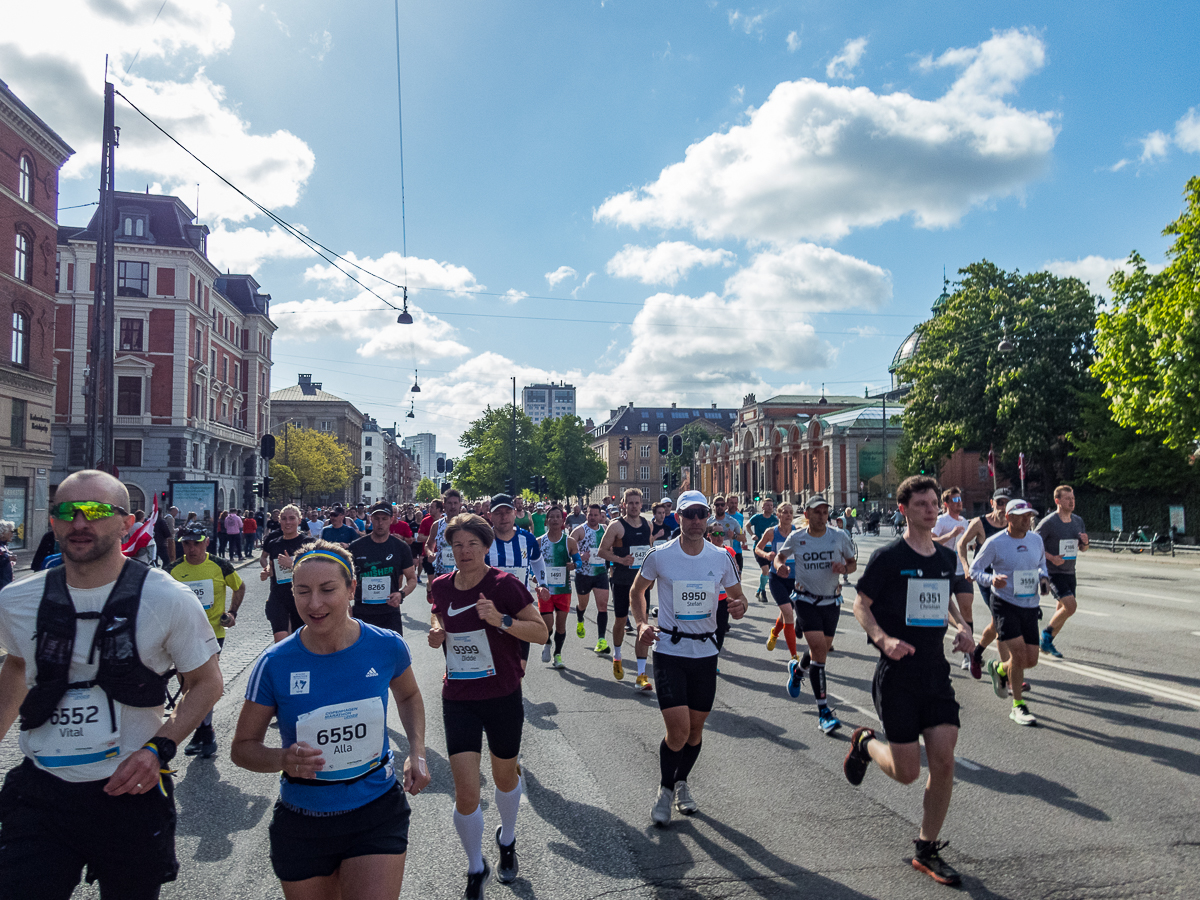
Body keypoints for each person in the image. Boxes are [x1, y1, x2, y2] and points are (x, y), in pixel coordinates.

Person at [0, 469, 223, 900]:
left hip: (130, 794)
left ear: (125, 522)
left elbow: (206, 683)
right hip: (41, 793)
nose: (79, 523)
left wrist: (159, 748)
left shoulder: (167, 597)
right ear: (53, 521)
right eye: (67, 512)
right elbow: (15, 666)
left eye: (96, 511)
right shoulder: (16, 600)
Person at [232, 541, 430, 899]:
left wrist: (416, 751)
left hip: (376, 810)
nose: (314, 604)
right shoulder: (275, 663)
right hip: (303, 820)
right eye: (302, 591)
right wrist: (282, 759)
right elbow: (243, 748)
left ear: (352, 588)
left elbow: (410, 695)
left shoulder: (387, 646)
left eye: (327, 590)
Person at [844, 475, 975, 886]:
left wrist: (962, 626)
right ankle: (865, 743)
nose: (931, 509)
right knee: (907, 772)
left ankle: (926, 847)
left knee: (944, 760)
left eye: (934, 503)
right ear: (904, 509)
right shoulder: (887, 557)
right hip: (897, 675)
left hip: (935, 673)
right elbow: (860, 604)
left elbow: (945, 597)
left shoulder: (943, 558)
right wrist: (883, 640)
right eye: (921, 504)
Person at [428, 514, 547, 899]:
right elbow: (437, 610)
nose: (463, 552)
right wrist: (436, 629)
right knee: (466, 793)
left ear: (486, 547)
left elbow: (541, 632)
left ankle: (507, 839)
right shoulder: (442, 586)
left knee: (504, 778)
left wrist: (501, 619)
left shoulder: (505, 585)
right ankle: (475, 867)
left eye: (472, 545)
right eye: (457, 545)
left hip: (501, 695)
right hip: (459, 697)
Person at [630, 490, 746, 826]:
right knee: (678, 730)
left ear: (708, 517)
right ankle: (665, 791)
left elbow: (739, 600)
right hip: (669, 651)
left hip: (706, 653)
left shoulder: (721, 557)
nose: (695, 521)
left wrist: (739, 607)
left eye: (701, 514)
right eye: (688, 514)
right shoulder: (660, 555)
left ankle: (681, 782)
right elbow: (637, 590)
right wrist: (640, 624)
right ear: (676, 516)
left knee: (695, 731)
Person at [776, 495, 857, 734]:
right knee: (820, 651)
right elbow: (780, 556)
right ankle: (824, 712)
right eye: (817, 512)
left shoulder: (839, 536)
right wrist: (779, 565)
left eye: (825, 512)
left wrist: (845, 568)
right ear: (807, 515)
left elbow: (852, 563)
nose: (822, 516)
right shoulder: (797, 537)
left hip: (832, 600)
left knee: (819, 650)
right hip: (805, 599)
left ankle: (798, 670)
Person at [166, 523, 245, 757]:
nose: (192, 549)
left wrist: (232, 613)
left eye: (196, 543)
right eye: (187, 544)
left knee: (203, 683)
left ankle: (204, 731)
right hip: (182, 633)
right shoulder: (173, 570)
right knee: (185, 684)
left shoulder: (221, 565)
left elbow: (239, 588)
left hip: (212, 633)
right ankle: (203, 730)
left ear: (206, 543)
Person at [970, 499, 1049, 726]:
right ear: (1009, 518)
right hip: (1004, 603)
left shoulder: (1036, 540)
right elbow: (976, 570)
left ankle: (999, 668)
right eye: (1022, 515)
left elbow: (1042, 564)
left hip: (1030, 604)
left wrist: (1044, 578)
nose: (1027, 519)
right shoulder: (995, 543)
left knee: (1030, 660)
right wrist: (991, 579)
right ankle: (1018, 706)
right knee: (1018, 654)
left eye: (1030, 516)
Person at [597, 488, 655, 690]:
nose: (634, 506)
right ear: (623, 504)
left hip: (641, 583)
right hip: (621, 581)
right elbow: (602, 551)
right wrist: (620, 559)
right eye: (630, 503)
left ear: (641, 504)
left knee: (643, 624)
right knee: (621, 620)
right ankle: (617, 655)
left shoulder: (648, 525)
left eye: (637, 502)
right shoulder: (616, 526)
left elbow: (649, 552)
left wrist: (652, 575)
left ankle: (641, 676)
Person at [961, 489, 1010, 679]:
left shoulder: (1014, 522)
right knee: (1001, 622)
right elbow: (962, 544)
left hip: (1007, 578)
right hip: (986, 577)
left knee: (997, 623)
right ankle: (1006, 671)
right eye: (1000, 503)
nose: (1003, 507)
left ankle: (977, 653)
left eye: (1006, 503)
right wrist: (966, 567)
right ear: (992, 503)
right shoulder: (980, 523)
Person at [1035, 485, 1088, 659]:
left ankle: (1047, 643)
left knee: (1063, 610)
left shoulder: (1078, 521)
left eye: (1073, 498)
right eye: (1067, 499)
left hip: (1069, 571)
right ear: (1057, 501)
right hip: (1053, 572)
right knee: (1071, 607)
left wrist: (1085, 543)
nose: (1072, 502)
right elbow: (1033, 544)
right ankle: (1046, 635)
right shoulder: (1049, 522)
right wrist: (1051, 558)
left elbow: (1082, 548)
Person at [349, 502, 418, 637]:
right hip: (362, 613)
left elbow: (412, 579)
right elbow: (344, 580)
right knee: (364, 656)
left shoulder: (401, 548)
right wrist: (347, 606)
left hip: (389, 612)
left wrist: (401, 594)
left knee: (393, 656)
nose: (380, 523)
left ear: (391, 520)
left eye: (384, 519)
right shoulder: (356, 547)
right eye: (377, 518)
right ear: (371, 519)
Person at [931, 487, 974, 673]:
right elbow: (931, 540)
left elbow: (966, 545)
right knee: (941, 613)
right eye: (954, 500)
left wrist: (970, 545)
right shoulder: (941, 521)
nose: (959, 502)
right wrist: (951, 534)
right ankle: (935, 653)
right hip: (943, 572)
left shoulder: (965, 521)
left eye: (960, 499)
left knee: (966, 610)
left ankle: (969, 653)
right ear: (946, 504)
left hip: (961, 572)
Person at [260, 505, 312, 642]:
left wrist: (293, 565)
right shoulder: (273, 543)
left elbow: (316, 572)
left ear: (299, 521)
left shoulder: (308, 543)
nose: (287, 522)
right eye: (284, 519)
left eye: (291, 518)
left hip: (300, 597)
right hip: (278, 596)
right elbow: (271, 567)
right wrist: (266, 571)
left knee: (300, 640)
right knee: (280, 639)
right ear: (279, 521)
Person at [537, 506, 579, 669]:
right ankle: (547, 642)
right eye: (551, 517)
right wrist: (535, 576)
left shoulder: (569, 541)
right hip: (546, 590)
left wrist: (574, 565)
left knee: (561, 625)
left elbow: (579, 562)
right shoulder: (539, 541)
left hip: (563, 589)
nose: (555, 520)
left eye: (558, 517)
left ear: (562, 521)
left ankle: (558, 655)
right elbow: (532, 564)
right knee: (548, 625)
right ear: (547, 521)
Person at [757, 502, 798, 657]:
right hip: (777, 578)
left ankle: (774, 633)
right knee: (788, 612)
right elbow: (758, 548)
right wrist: (766, 555)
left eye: (790, 512)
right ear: (778, 515)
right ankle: (794, 657)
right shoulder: (771, 532)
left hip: (794, 579)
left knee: (784, 614)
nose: (788, 515)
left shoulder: (797, 532)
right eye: (784, 512)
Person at [571, 503, 611, 653]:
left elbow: (610, 546)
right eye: (590, 514)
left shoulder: (605, 529)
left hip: (600, 573)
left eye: (596, 515)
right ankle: (580, 617)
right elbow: (569, 549)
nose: (593, 517)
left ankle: (601, 640)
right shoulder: (580, 531)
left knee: (603, 606)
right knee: (583, 604)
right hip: (584, 574)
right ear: (586, 514)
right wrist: (581, 556)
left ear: (600, 516)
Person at [426, 490, 464, 580]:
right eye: (450, 503)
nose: (453, 506)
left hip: (462, 571)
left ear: (460, 505)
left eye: (455, 503)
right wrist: (430, 553)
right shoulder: (437, 525)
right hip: (442, 573)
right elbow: (429, 544)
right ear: (444, 505)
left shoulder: (467, 524)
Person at [747, 497, 779, 603]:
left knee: (767, 572)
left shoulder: (775, 519)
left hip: (771, 550)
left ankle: (759, 589)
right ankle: (763, 592)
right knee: (765, 570)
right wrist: (752, 535)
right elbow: (747, 526)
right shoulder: (757, 517)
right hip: (759, 548)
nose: (769, 507)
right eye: (767, 505)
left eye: (771, 505)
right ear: (762, 507)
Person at [708, 496, 746, 574]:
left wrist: (734, 536)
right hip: (713, 555)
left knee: (737, 580)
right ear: (713, 506)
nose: (720, 507)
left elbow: (743, 538)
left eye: (722, 505)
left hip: (731, 554)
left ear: (725, 506)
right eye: (717, 505)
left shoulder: (733, 521)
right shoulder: (708, 522)